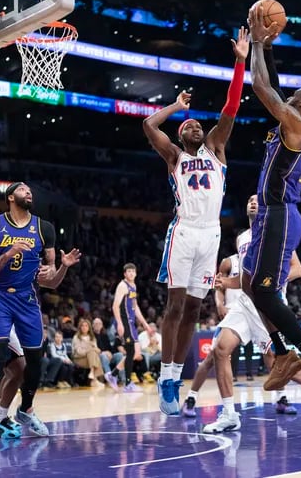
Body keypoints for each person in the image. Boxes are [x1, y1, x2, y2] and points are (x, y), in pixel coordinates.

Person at [143, 27, 249, 415]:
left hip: (211, 234)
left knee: (193, 309)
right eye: (187, 126)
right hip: (184, 231)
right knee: (173, 306)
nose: (193, 127)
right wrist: (175, 106)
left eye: (195, 125)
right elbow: (149, 126)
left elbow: (232, 107)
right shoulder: (174, 157)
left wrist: (240, 60)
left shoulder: (217, 147)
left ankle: (175, 372)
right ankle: (167, 376)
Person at [183, 195, 301, 431]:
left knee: (276, 363)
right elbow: (246, 279)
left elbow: (297, 268)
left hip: (268, 302)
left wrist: (271, 281)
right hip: (245, 303)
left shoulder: (276, 232)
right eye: (249, 200)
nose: (253, 202)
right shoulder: (242, 238)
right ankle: (229, 414)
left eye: (258, 200)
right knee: (220, 350)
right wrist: (226, 283)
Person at [243, 5, 301, 399]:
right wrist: (267, 49)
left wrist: (258, 43)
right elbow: (274, 87)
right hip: (268, 214)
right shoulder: (293, 119)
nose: (288, 97)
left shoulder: (299, 125)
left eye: (294, 97)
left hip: (281, 215)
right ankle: (282, 353)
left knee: (264, 292)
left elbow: (263, 90)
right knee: (250, 283)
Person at [0, 182, 79, 447]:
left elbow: (51, 281)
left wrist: (62, 268)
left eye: (30, 191)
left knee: (35, 362)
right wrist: (8, 254)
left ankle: (25, 409)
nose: (29, 193)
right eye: (23, 190)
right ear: (11, 197)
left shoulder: (44, 229)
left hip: (28, 301)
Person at [0, 247, 79, 438]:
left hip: (18, 322)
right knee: (14, 368)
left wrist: (64, 267)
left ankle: (2, 415)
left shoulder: (32, 270)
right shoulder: (6, 264)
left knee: (19, 370)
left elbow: (52, 282)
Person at [111, 263, 154, 392]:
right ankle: (127, 383)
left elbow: (135, 308)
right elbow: (115, 306)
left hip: (131, 323)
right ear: (124, 274)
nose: (130, 273)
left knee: (136, 353)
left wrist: (145, 324)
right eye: (128, 271)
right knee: (131, 352)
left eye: (132, 271)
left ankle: (113, 374)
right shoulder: (122, 286)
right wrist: (119, 323)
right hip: (124, 322)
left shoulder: (133, 286)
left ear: (135, 274)